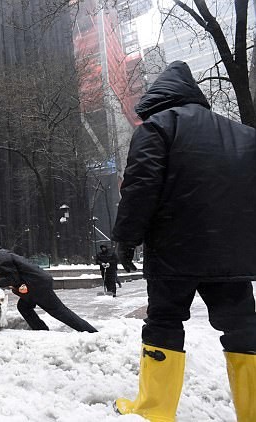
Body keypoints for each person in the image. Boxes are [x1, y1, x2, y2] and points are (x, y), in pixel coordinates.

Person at [112, 61, 256, 422]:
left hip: (174, 250)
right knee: (243, 327)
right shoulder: (244, 134)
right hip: (232, 253)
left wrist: (126, 240)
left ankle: (155, 411)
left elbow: (140, 188)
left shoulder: (158, 128)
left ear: (158, 96)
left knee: (164, 321)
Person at [0, 240, 97, 333]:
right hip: (35, 284)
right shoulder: (4, 255)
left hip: (36, 286)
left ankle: (89, 331)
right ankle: (41, 329)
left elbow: (12, 278)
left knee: (59, 311)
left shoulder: (0, 259)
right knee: (23, 306)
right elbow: (14, 275)